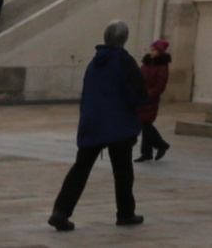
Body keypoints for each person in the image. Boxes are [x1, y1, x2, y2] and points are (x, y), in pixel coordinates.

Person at [46, 21, 144, 232]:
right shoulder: (124, 61)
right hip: (118, 123)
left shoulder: (95, 62)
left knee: (80, 168)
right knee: (123, 170)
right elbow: (136, 92)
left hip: (93, 121)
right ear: (124, 39)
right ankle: (126, 212)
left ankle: (61, 211)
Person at [133, 39, 171, 162]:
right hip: (141, 97)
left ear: (160, 51)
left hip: (150, 99)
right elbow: (138, 76)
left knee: (145, 123)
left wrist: (148, 94)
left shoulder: (162, 66)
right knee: (145, 124)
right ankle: (147, 152)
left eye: (154, 50)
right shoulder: (147, 63)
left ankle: (161, 144)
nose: (151, 52)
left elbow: (160, 85)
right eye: (151, 49)